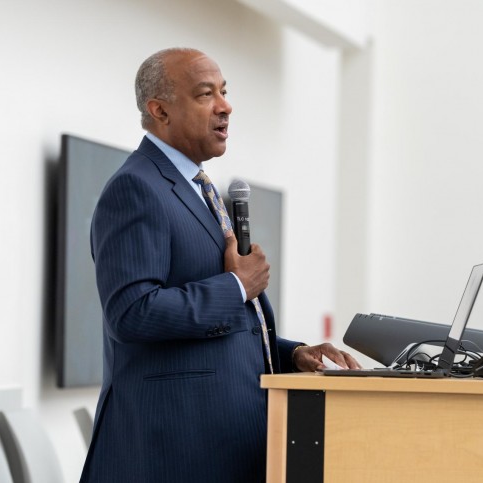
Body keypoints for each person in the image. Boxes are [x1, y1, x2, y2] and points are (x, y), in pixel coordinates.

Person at [79, 47, 360, 483]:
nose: (225, 106)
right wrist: (236, 286)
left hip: (223, 450)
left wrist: (291, 355)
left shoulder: (196, 187)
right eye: (205, 94)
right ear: (160, 110)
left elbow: (224, 333)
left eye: (224, 92)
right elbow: (132, 314)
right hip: (169, 455)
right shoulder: (135, 188)